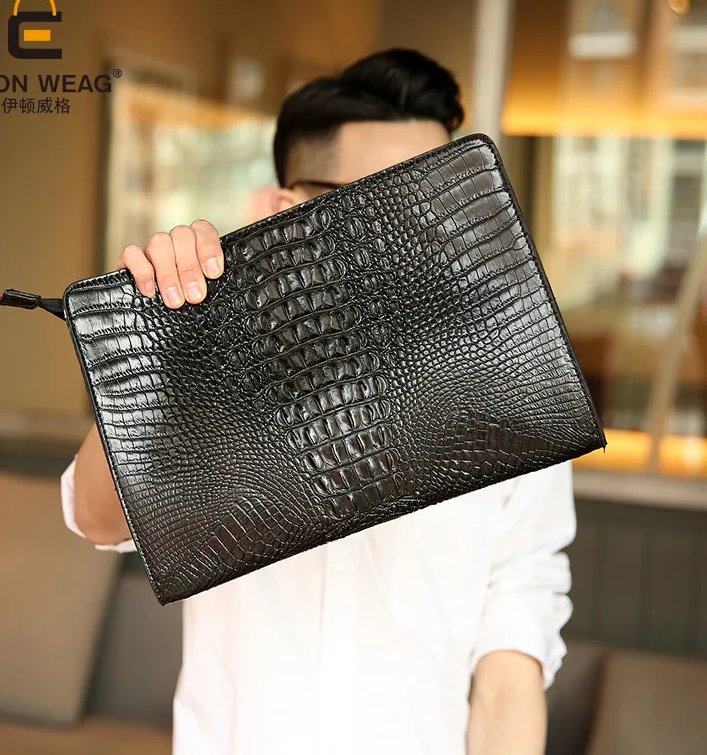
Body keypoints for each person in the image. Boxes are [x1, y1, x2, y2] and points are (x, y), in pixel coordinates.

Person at [61, 48, 575, 755]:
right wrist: (173, 346)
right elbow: (97, 518)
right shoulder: (218, 370)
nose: (420, 234)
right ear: (289, 208)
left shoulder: (510, 391)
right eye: (390, 203)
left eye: (434, 200)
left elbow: (509, 676)